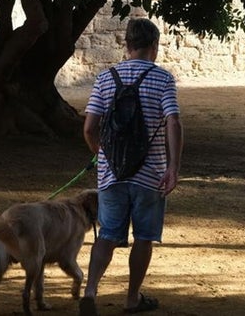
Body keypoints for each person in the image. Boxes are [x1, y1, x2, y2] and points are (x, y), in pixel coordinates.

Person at [79, 18, 184, 315]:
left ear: (126, 45)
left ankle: (89, 291)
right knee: (144, 236)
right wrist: (173, 167)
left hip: (111, 174)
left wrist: (103, 155)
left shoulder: (105, 78)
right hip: (150, 174)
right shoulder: (163, 79)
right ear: (154, 46)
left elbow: (89, 128)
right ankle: (132, 298)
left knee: (108, 234)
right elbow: (173, 121)